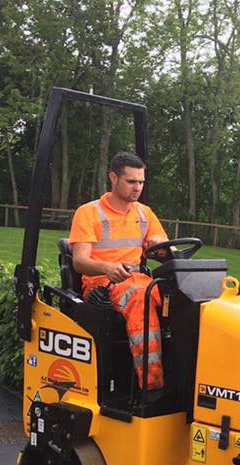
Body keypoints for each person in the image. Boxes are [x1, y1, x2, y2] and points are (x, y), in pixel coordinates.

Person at [69, 151, 168, 391]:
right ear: (113, 178)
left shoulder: (144, 213)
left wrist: (159, 246)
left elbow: (167, 250)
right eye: (131, 181)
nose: (138, 188)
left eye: (141, 182)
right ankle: (152, 385)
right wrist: (107, 267)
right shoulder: (89, 212)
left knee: (177, 297)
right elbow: (79, 261)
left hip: (138, 279)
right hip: (102, 282)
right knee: (140, 299)